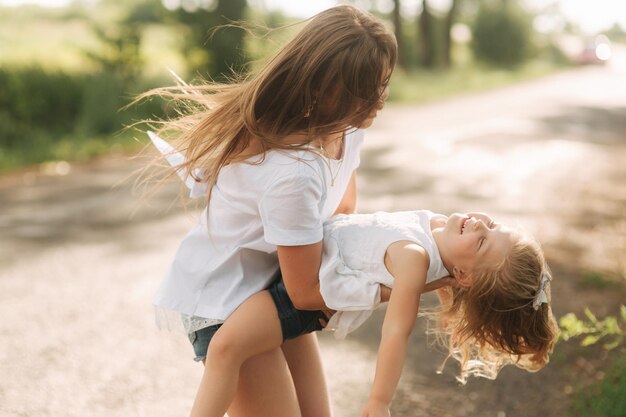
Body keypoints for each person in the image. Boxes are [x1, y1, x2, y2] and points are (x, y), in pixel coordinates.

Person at [140, 5, 425, 417]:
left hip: (272, 286)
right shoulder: (293, 171)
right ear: (324, 89)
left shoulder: (347, 130)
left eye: (383, 83)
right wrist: (413, 282)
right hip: (227, 298)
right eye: (366, 90)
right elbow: (307, 292)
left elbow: (341, 217)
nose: (379, 101)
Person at [190, 210, 559, 417]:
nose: (478, 224)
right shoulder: (438, 230)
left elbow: (396, 332)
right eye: (491, 226)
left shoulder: (415, 259)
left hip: (293, 301)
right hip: (292, 276)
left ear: (464, 273)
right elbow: (452, 280)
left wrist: (379, 398)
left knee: (225, 349)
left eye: (481, 241)